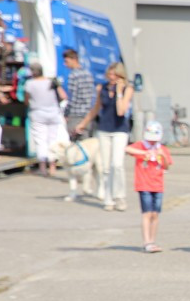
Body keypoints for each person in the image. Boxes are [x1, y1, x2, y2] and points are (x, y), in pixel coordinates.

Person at [76, 61, 134, 211]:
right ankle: (108, 198)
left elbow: (121, 111)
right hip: (104, 129)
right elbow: (96, 108)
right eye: (110, 74)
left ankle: (119, 196)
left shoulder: (128, 89)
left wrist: (119, 92)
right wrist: (83, 123)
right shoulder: (101, 88)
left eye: (115, 75)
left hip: (120, 130)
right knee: (106, 166)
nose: (112, 77)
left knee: (118, 164)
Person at [125, 120, 173, 253]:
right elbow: (127, 148)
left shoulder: (162, 148)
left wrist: (162, 156)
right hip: (144, 185)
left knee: (155, 214)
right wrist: (142, 153)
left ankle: (153, 240)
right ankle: (147, 242)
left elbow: (167, 166)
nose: (152, 142)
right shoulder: (141, 145)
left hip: (158, 186)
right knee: (146, 214)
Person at [23, 60, 68, 177]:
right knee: (52, 140)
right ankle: (52, 167)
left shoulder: (30, 84)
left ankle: (42, 168)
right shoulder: (51, 82)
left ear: (33, 72)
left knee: (40, 141)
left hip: (37, 114)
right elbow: (63, 96)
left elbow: (26, 100)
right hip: (53, 113)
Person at [61, 48, 95, 139]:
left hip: (76, 115)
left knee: (75, 146)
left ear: (74, 59)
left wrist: (66, 114)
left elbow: (72, 98)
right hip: (87, 114)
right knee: (86, 145)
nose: (65, 64)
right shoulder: (88, 74)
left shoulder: (73, 75)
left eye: (66, 61)